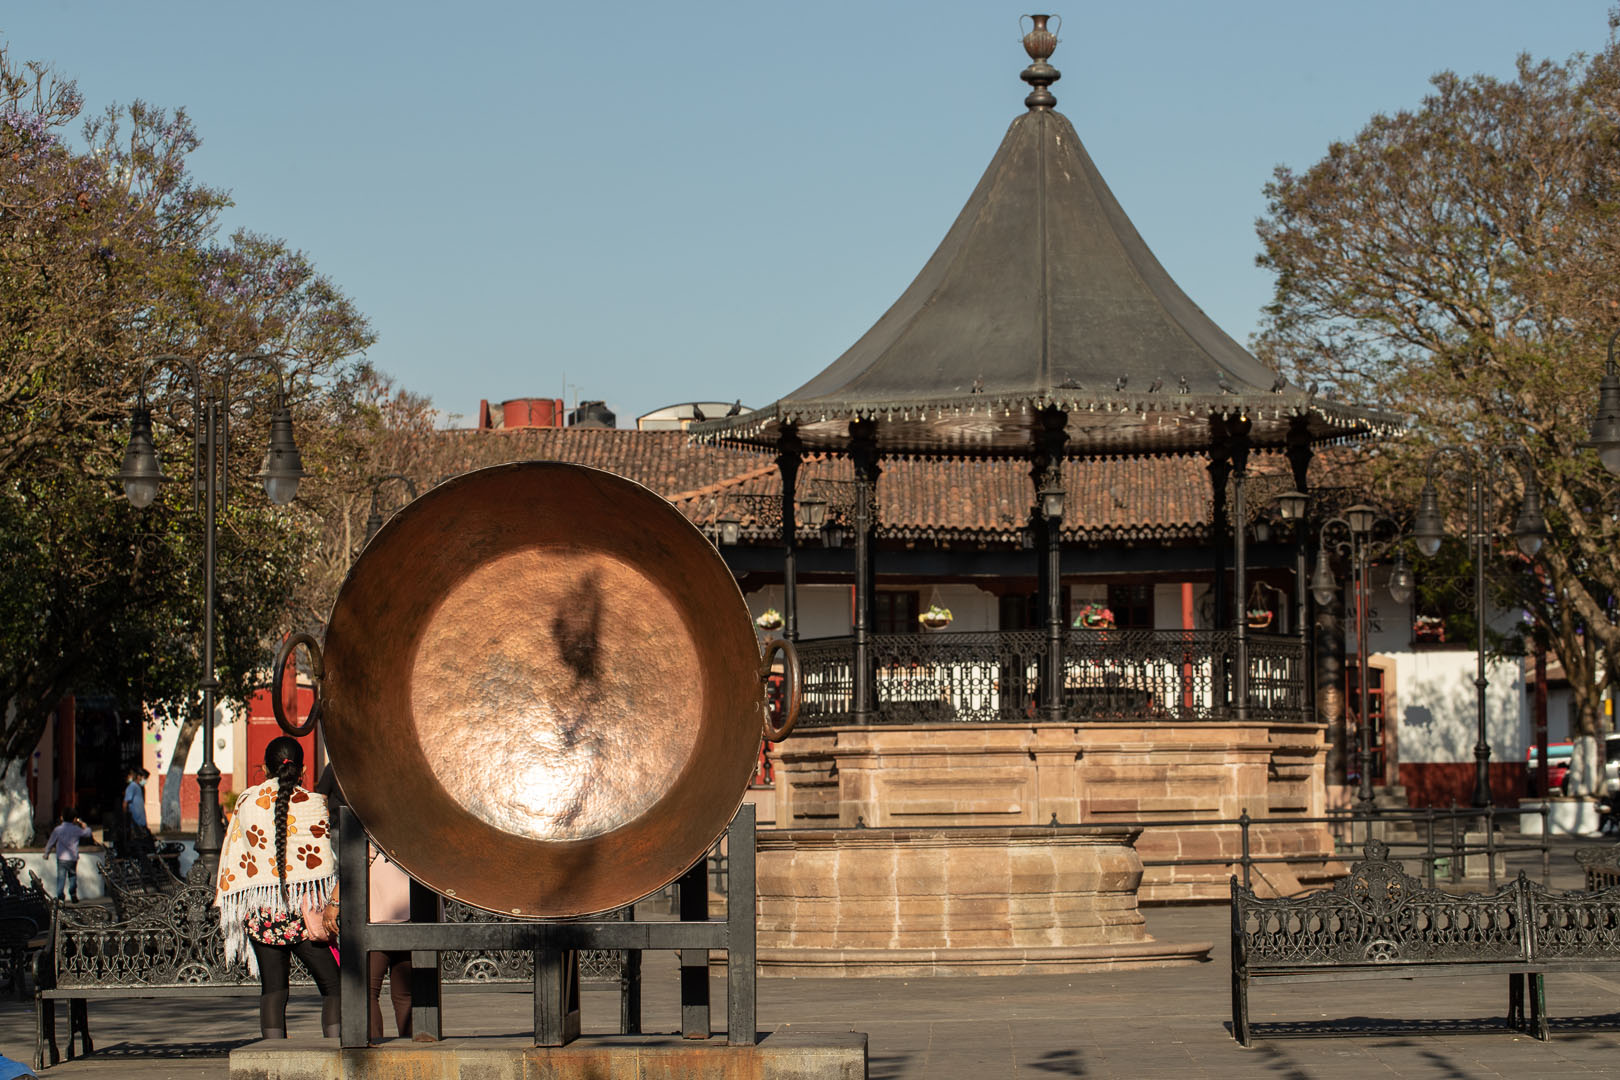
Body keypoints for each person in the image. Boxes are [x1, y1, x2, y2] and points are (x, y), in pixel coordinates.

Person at [215, 737, 340, 1039]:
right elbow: (327, 862)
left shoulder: (246, 803)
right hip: (304, 914)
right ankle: (338, 1052)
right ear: (304, 769)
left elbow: (236, 855)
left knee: (273, 990)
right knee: (335, 986)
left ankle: (273, 1057)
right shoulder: (312, 804)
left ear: (263, 767)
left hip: (263, 914)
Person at [42, 808, 93, 903]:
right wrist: (84, 825)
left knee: (61, 877)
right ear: (74, 819)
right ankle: (73, 893)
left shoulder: (58, 830)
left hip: (61, 858)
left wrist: (46, 853)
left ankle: (60, 895)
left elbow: (51, 842)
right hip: (72, 858)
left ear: (62, 818)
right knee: (72, 876)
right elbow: (88, 833)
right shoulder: (76, 829)